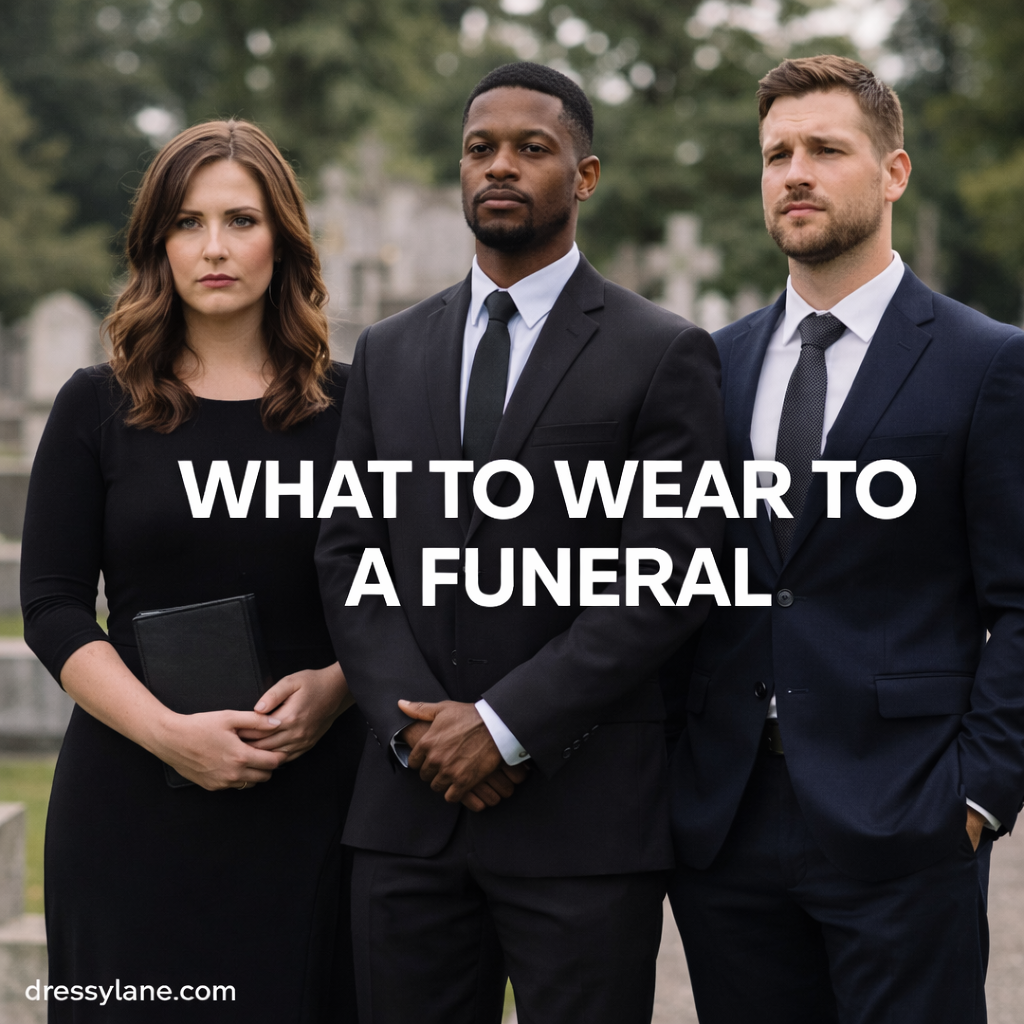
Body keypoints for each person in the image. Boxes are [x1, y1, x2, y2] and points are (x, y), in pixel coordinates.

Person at [314, 62, 726, 1024]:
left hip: (582, 826)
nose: (500, 166)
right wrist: (419, 731)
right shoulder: (387, 351)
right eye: (479, 148)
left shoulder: (661, 351)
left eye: (531, 149)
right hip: (405, 823)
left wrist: (501, 726)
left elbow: (665, 580)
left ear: (583, 176)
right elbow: (347, 552)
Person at [667, 54, 1024, 1024]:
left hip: (907, 822)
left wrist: (978, 794)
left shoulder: (986, 362)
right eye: (775, 152)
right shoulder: (712, 365)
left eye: (825, 149)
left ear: (893, 172)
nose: (794, 172)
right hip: (727, 828)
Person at [21, 119, 365, 1022]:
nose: (214, 247)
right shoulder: (96, 406)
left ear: (282, 240)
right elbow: (53, 605)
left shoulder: (355, 408)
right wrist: (168, 732)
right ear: (156, 244)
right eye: (187, 222)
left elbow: (403, 587)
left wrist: (337, 685)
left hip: (317, 803)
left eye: (241, 221)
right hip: (133, 801)